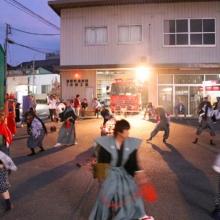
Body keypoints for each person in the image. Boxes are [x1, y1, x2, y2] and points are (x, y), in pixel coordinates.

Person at [89, 119, 154, 220]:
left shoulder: (130, 144)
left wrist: (142, 177)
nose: (128, 133)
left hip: (123, 172)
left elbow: (133, 163)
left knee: (131, 190)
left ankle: (141, 215)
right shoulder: (106, 144)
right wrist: (101, 180)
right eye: (126, 130)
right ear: (119, 132)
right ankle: (104, 217)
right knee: (106, 194)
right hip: (109, 172)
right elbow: (101, 163)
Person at [0, 109, 16, 212]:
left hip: (1, 160)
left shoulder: (2, 130)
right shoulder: (3, 128)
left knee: (1, 183)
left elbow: (4, 149)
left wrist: (2, 163)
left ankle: (8, 203)